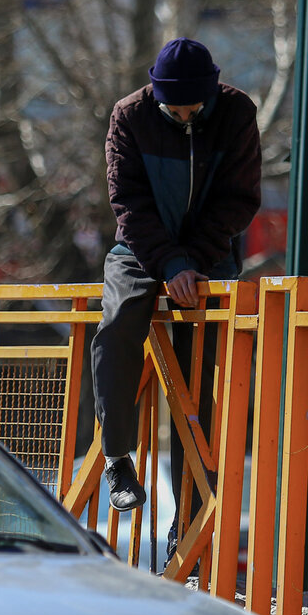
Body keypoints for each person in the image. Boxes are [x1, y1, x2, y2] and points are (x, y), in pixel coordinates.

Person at [91, 38, 261, 538]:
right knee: (119, 325)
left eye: (193, 107)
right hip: (141, 250)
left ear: (210, 94)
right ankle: (117, 457)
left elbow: (239, 198)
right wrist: (169, 262)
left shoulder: (235, 112)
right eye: (174, 107)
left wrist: (194, 260)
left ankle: (190, 529)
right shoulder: (129, 115)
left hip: (210, 255)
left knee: (200, 387)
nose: (184, 114)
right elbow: (128, 201)